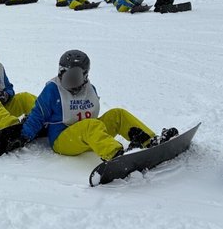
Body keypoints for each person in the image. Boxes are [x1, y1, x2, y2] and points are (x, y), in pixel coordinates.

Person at [14, 50, 177, 160]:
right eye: (65, 75)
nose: (69, 80)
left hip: (87, 134)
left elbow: (92, 117)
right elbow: (38, 115)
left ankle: (150, 140)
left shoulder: (90, 89)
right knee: (90, 125)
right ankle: (116, 154)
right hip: (62, 140)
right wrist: (23, 136)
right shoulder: (52, 89)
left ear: (85, 75)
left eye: (74, 76)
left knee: (117, 114)